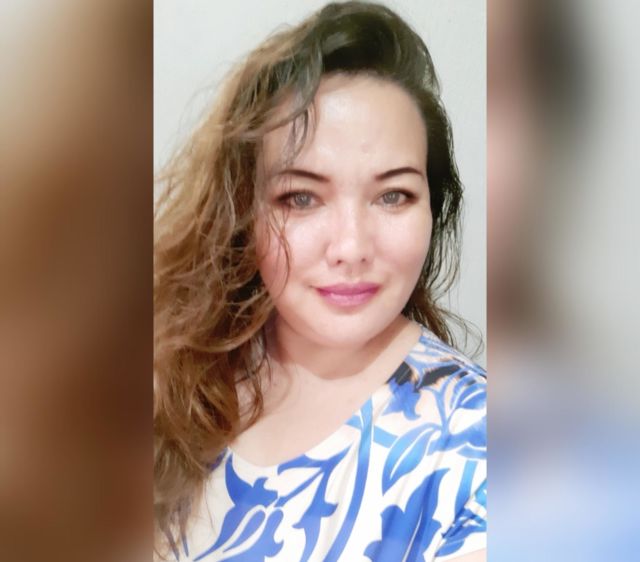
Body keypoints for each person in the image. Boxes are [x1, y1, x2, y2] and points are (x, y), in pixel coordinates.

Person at [154, 2, 486, 561]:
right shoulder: (179, 376)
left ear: (434, 207)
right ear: (242, 213)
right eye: (301, 198)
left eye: (393, 195)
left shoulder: (482, 451)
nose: (351, 247)